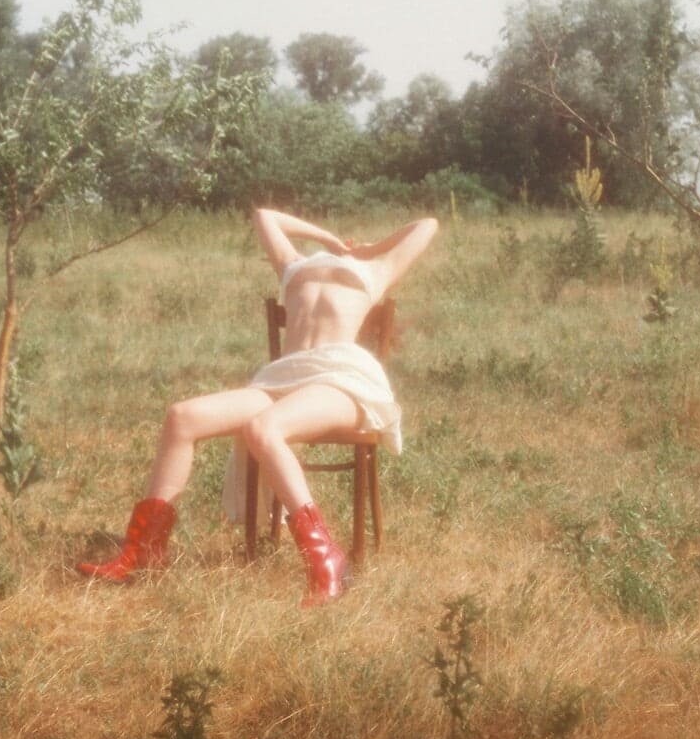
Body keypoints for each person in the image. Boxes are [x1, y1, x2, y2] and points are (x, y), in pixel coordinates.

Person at [78, 207, 439, 606]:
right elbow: (265, 215)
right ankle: (143, 553)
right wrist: (327, 239)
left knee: (263, 429)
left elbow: (426, 225)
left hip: (341, 380)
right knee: (182, 417)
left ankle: (326, 560)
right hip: (282, 377)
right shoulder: (293, 266)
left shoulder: (377, 270)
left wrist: (371, 248)